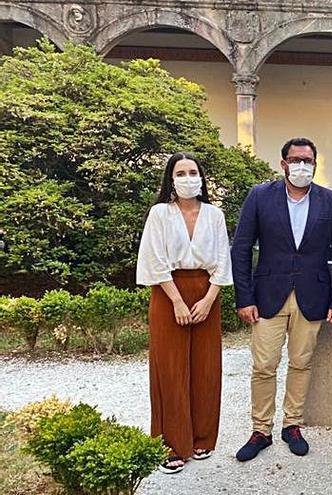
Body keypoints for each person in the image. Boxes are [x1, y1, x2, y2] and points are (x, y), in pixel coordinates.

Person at [231, 138, 332, 461]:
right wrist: (243, 297)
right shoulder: (260, 196)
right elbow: (241, 248)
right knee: (264, 365)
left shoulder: (331, 201)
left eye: (308, 160)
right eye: (296, 159)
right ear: (283, 163)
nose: (302, 165)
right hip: (268, 295)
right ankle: (261, 430)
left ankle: (292, 424)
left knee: (302, 362)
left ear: (315, 163)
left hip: (312, 296)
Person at [136, 152, 232, 474]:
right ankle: (172, 444)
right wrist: (177, 301)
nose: (188, 177)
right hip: (168, 293)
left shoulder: (214, 215)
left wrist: (208, 300)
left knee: (206, 366)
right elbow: (155, 260)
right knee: (171, 367)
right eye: (181, 172)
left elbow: (222, 259)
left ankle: (203, 437)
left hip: (207, 291)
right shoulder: (160, 214)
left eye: (193, 172)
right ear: (171, 179)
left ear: (201, 178)